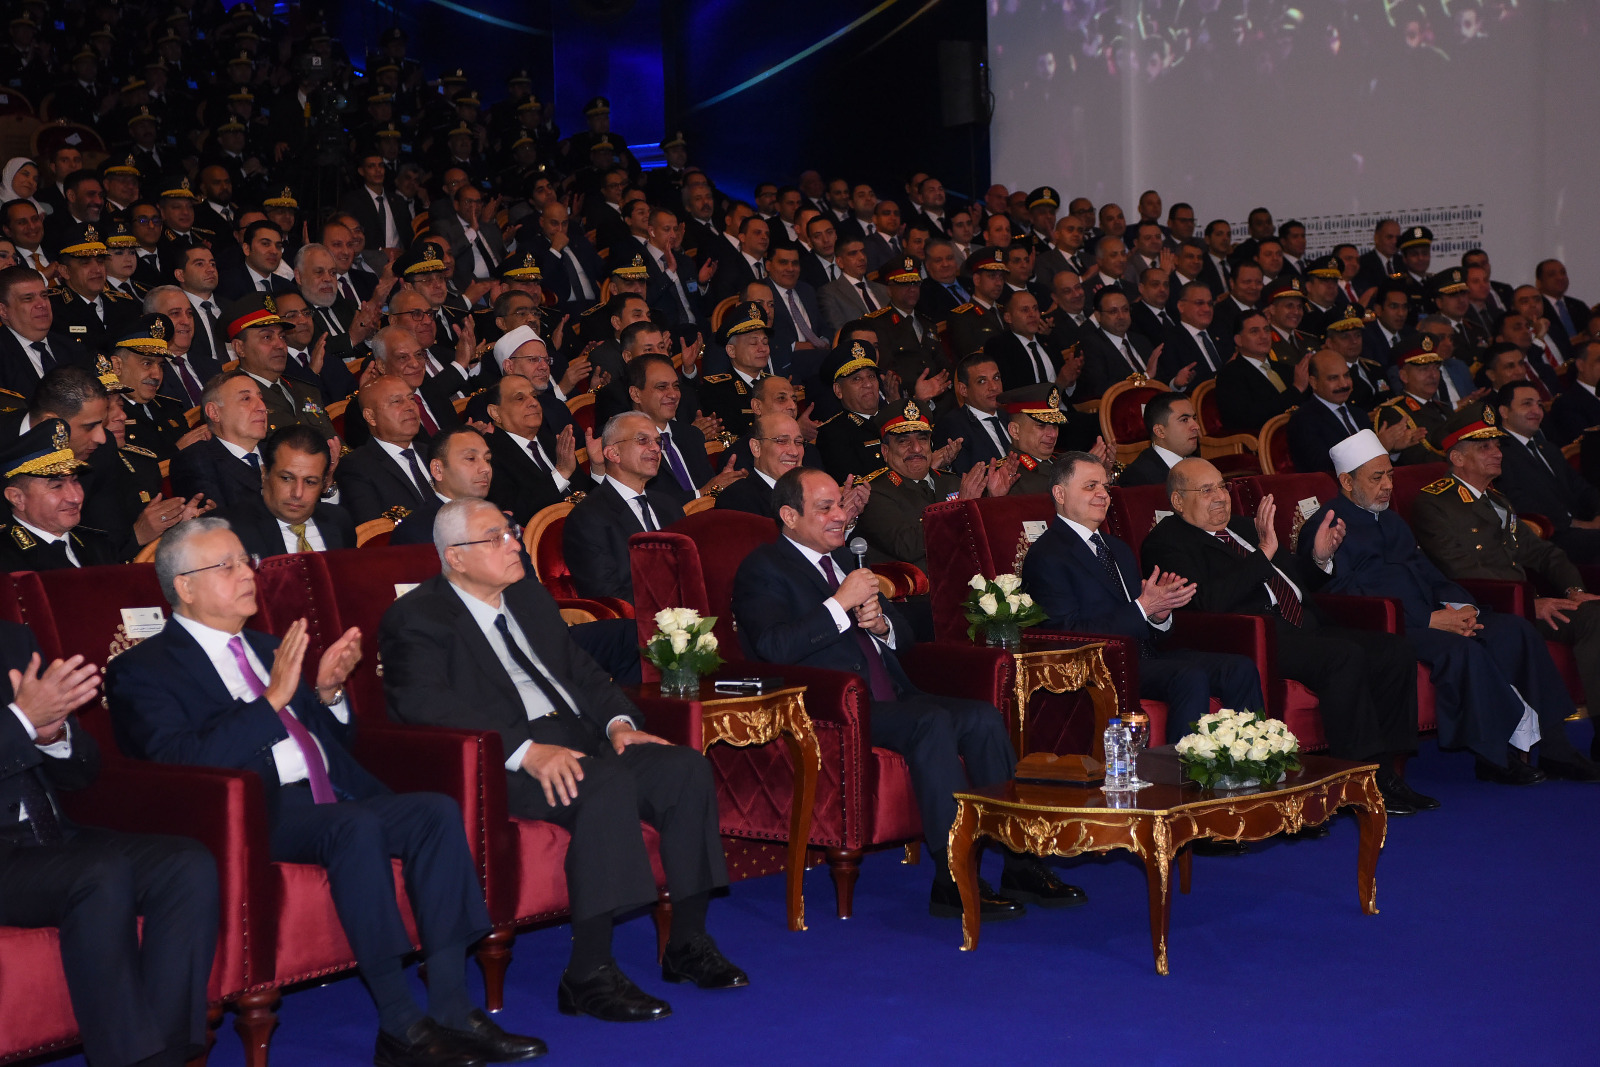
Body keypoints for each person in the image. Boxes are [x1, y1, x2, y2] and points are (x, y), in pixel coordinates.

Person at [108, 517, 542, 1066]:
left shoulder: (269, 647)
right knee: (353, 826)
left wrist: (330, 693)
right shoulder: (144, 669)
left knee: (434, 813)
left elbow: (335, 745)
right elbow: (176, 761)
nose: (247, 574)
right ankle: (399, 1024)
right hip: (255, 813)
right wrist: (270, 701)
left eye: (247, 561)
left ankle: (453, 1009)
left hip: (330, 793)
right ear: (185, 587)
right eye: (228, 565)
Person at [380, 497, 743, 1022]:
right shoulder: (416, 617)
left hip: (583, 738)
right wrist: (524, 751)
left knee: (683, 769)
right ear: (455, 557)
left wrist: (620, 725)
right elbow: (424, 706)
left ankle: (687, 943)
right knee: (600, 785)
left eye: (511, 531)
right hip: (501, 762)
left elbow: (583, 670)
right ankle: (588, 974)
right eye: (496, 538)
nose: (514, 544)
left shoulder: (527, 596)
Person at [733, 467, 1082, 919]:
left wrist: (882, 626)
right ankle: (952, 877)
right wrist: (839, 604)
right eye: (825, 508)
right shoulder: (763, 567)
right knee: (930, 722)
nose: (840, 515)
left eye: (840, 504)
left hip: (890, 696)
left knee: (980, 717)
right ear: (789, 515)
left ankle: (1020, 860)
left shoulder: (845, 560)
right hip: (832, 707)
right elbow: (773, 646)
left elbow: (905, 637)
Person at [1302, 429, 1592, 786]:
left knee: (1515, 630)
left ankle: (1556, 747)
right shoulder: (1327, 525)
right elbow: (1344, 595)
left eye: (1390, 475)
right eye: (1376, 478)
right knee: (1461, 650)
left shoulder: (1391, 519)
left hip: (1436, 613)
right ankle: (1493, 756)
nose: (1388, 486)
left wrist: (1463, 608)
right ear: (1347, 481)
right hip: (1391, 626)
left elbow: (1428, 573)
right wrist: (1428, 619)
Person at [1139, 457, 1425, 812]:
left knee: (1394, 650)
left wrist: (1319, 559)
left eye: (1223, 487)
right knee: (1342, 656)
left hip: (1304, 625)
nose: (1221, 496)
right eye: (1207, 490)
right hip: (1258, 637)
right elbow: (1208, 601)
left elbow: (1295, 581)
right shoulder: (1167, 543)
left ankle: (1389, 771)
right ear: (1178, 501)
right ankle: (1356, 781)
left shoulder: (1244, 527)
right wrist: (1262, 554)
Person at [0, 615, 219, 1067]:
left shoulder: (14, 639)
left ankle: (164, 1057)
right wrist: (22, 722)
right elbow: (20, 725)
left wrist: (53, 736)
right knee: (98, 874)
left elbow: (81, 773)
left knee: (185, 863)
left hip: (48, 836)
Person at [1021, 451, 1261, 740]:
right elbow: (1065, 634)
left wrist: (1159, 616)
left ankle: (1250, 757)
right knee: (1189, 676)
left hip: (1146, 655)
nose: (1103, 494)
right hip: (1102, 664)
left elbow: (1142, 617)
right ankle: (1183, 766)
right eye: (1090, 486)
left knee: (1240, 668)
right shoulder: (1048, 555)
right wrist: (1142, 608)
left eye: (1105, 486)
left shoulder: (1116, 548)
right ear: (1060, 494)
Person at [1410, 417, 1600, 758]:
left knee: (1592, 615)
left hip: (1523, 601)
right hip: (1488, 607)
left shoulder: (1496, 499)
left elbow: (1544, 553)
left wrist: (1572, 589)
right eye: (1485, 447)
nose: (1497, 452)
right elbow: (1460, 570)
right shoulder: (1434, 503)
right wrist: (1530, 603)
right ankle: (1555, 749)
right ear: (1457, 458)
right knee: (1526, 629)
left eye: (1497, 445)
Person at [857, 400, 1013, 573]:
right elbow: (907, 547)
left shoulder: (951, 482)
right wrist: (958, 508)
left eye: (922, 439)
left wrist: (994, 499)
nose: (916, 448)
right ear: (885, 452)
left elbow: (985, 537)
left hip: (969, 577)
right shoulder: (875, 492)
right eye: (903, 441)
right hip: (919, 586)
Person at [562, 412, 686, 604]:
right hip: (636, 618)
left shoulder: (669, 506)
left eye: (657, 441)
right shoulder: (588, 518)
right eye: (643, 440)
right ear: (613, 454)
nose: (655, 448)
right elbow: (607, 597)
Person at [1493, 381, 1600, 564]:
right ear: (1504, 412)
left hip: (1581, 526)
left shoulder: (1548, 448)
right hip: (1548, 536)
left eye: (1539, 405)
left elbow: (1581, 487)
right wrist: (1579, 525)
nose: (1537, 411)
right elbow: (1518, 502)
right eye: (1527, 404)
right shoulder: (1498, 454)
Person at [221, 424, 355, 557]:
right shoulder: (230, 530)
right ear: (264, 474)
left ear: (323, 483)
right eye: (286, 478)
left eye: (310, 482)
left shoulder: (339, 521)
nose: (297, 493)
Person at [1286, 349, 1421, 473]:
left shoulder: (1359, 414)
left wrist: (1392, 449)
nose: (1344, 384)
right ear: (1314, 382)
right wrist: (1376, 447)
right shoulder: (1303, 419)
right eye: (1334, 378)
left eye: (1346, 376)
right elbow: (1323, 469)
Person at [484, 373, 590, 527]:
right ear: (495, 413)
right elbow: (514, 513)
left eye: (534, 396)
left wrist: (598, 468)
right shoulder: (488, 455)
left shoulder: (551, 440)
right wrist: (560, 473)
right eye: (520, 398)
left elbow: (585, 492)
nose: (533, 402)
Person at [338, 375, 437, 525]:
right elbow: (375, 531)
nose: (410, 407)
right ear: (371, 416)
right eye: (397, 401)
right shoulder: (356, 467)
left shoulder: (433, 453)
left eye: (411, 399)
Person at [170, 369, 268, 509]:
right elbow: (218, 519)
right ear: (214, 412)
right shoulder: (195, 461)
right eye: (246, 399)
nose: (262, 407)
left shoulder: (277, 451)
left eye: (261, 398)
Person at [0, 264, 93, 401]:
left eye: (44, 296)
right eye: (28, 298)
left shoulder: (72, 349)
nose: (42, 304)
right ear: (3, 310)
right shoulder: (3, 355)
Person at [716, 411, 807, 518]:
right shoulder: (737, 499)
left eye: (798, 442)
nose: (794, 452)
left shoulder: (811, 491)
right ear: (756, 448)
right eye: (782, 441)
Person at [1118, 392, 1200, 487]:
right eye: (1184, 420)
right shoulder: (1138, 477)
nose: (1196, 426)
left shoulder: (1197, 464)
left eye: (1194, 418)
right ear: (1160, 431)